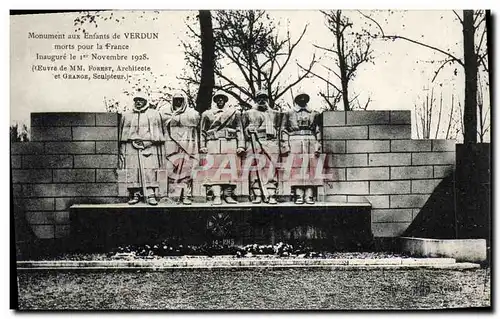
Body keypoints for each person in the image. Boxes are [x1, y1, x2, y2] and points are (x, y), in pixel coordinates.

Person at [199, 91, 245, 205]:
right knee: (214, 169)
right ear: (215, 100)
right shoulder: (207, 114)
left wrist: (241, 145)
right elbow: (202, 131)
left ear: (225, 100)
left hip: (230, 142)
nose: (220, 100)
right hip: (213, 143)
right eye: (218, 98)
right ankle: (217, 196)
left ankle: (228, 195)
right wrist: (203, 145)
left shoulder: (234, 113)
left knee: (230, 169)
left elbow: (239, 129)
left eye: (222, 98)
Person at [119, 92, 165, 205]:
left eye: (140, 100)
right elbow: (123, 134)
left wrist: (146, 142)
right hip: (132, 146)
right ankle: (136, 194)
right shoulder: (127, 115)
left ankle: (150, 195)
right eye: (136, 100)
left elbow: (157, 134)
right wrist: (133, 140)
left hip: (149, 146)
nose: (138, 102)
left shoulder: (154, 114)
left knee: (149, 170)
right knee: (134, 170)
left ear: (145, 101)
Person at [281, 92, 322, 204]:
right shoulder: (289, 113)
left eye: (305, 98)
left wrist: (318, 145)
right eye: (300, 98)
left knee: (310, 168)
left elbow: (318, 130)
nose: (303, 100)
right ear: (296, 100)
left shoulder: (314, 113)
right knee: (297, 168)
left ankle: (309, 195)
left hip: (310, 140)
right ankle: (298, 195)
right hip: (295, 140)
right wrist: (286, 144)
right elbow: (284, 129)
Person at [242, 90, 281, 204]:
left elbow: (279, 129)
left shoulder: (275, 114)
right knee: (255, 167)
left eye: (264, 98)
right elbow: (242, 129)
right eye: (259, 98)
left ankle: (271, 193)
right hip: (255, 142)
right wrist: (247, 131)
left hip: (271, 142)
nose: (262, 100)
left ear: (268, 99)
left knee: (270, 168)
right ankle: (257, 193)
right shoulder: (248, 113)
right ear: (255, 99)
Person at [162, 91, 200, 205]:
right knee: (172, 171)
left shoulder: (192, 113)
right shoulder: (165, 112)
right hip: (172, 146)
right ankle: (173, 196)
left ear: (184, 101)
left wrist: (176, 119)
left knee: (186, 170)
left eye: (180, 99)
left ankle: (186, 196)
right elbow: (164, 123)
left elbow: (195, 122)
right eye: (176, 99)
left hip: (187, 146)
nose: (178, 102)